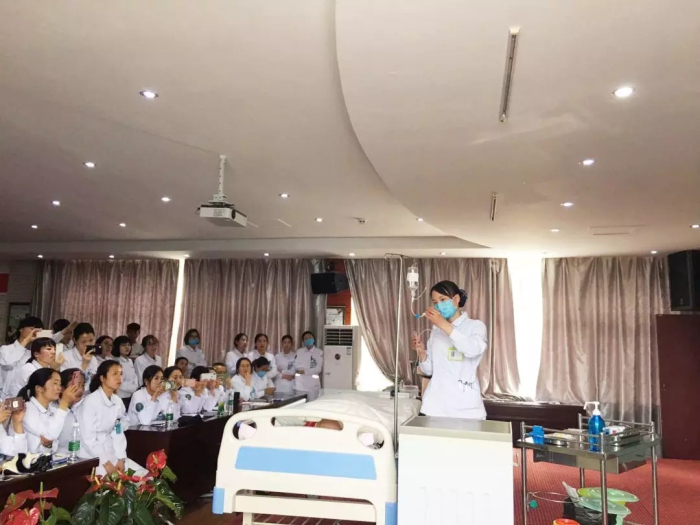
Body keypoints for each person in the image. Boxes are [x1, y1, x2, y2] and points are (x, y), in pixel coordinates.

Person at [413, 280, 487, 420]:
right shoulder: (436, 331)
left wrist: (443, 325)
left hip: (466, 409)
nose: (438, 305)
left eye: (443, 300)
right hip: (435, 407)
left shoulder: (475, 326)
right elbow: (429, 370)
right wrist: (422, 353)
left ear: (456, 299)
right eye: (435, 302)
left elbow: (472, 350)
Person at [77, 360, 134, 475]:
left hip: (111, 450)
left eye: (121, 374)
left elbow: (118, 431)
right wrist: (107, 464)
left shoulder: (117, 401)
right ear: (102, 378)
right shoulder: (90, 402)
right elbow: (88, 439)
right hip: (91, 455)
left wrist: (121, 458)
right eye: (114, 374)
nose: (119, 378)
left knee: (140, 476)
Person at [16, 368, 80, 453]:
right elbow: (50, 435)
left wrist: (49, 444)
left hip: (45, 458)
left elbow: (54, 444)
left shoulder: (52, 409)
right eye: (55, 383)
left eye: (60, 384)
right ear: (39, 388)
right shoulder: (26, 409)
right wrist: (64, 402)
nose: (59, 388)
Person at [0, 316, 43, 387]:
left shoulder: (33, 354)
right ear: (21, 329)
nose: (34, 332)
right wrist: (26, 340)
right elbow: (8, 364)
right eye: (32, 329)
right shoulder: (5, 349)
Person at [57, 369, 86, 454]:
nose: (80, 390)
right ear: (62, 388)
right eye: (75, 385)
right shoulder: (54, 410)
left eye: (83, 385)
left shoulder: (83, 406)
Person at [294, 331, 323, 402]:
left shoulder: (319, 352)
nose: (308, 339)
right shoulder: (299, 351)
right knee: (299, 406)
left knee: (312, 406)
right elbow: (296, 365)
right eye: (306, 338)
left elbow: (318, 368)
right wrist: (307, 369)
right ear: (303, 341)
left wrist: (305, 371)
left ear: (314, 339)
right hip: (300, 386)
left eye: (310, 338)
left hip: (313, 386)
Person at [111, 336, 138, 408]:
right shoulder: (115, 361)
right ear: (117, 347)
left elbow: (134, 376)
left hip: (131, 396)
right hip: (120, 396)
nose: (127, 347)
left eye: (129, 345)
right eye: (123, 345)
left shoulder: (130, 361)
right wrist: (132, 388)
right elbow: (118, 381)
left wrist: (135, 387)